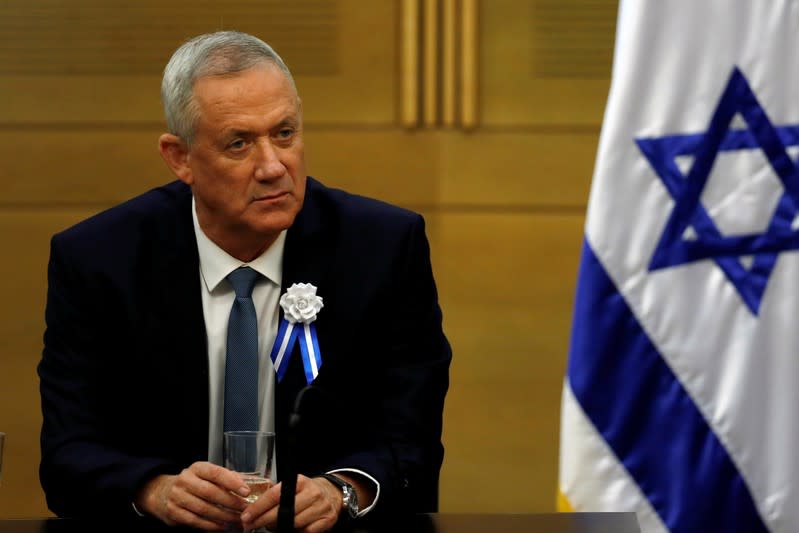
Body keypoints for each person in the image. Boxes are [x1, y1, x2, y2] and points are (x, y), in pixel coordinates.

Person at [38, 31, 451, 533]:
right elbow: (68, 452)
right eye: (239, 143)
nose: (274, 166)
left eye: (285, 134)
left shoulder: (382, 248)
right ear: (180, 158)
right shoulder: (100, 259)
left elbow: (413, 440)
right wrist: (155, 490)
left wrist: (340, 490)